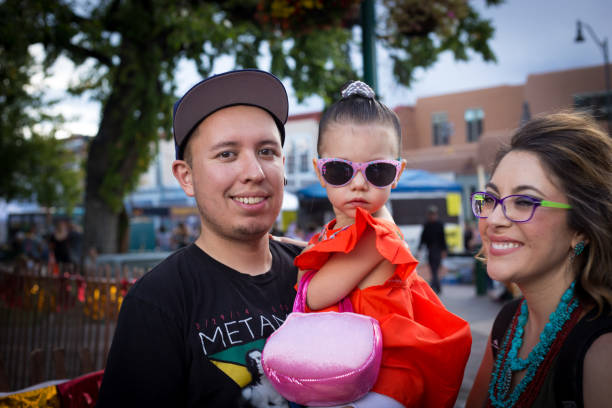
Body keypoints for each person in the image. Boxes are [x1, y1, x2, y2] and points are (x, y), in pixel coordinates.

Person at [97, 69, 302, 407]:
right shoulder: (158, 302)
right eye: (227, 154)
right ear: (186, 177)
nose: (254, 172)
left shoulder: (317, 273)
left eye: (267, 151)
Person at [293, 81, 472, 407]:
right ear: (320, 172)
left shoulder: (378, 238)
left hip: (384, 381)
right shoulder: (338, 232)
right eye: (339, 170)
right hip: (349, 372)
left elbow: (314, 295)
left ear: (397, 173)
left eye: (377, 171)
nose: (359, 184)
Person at [466, 111, 612, 407]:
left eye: (524, 202)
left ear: (580, 229)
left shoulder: (601, 351)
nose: (494, 219)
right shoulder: (507, 324)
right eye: (491, 199)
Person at [417, 205, 448, 294]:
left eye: (433, 214)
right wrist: (419, 248)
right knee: (433, 269)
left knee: (436, 269)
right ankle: (436, 286)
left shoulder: (439, 224)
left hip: (438, 249)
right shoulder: (427, 225)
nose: (432, 216)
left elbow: (443, 238)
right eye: (431, 214)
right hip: (430, 250)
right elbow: (422, 238)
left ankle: (434, 286)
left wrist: (444, 250)